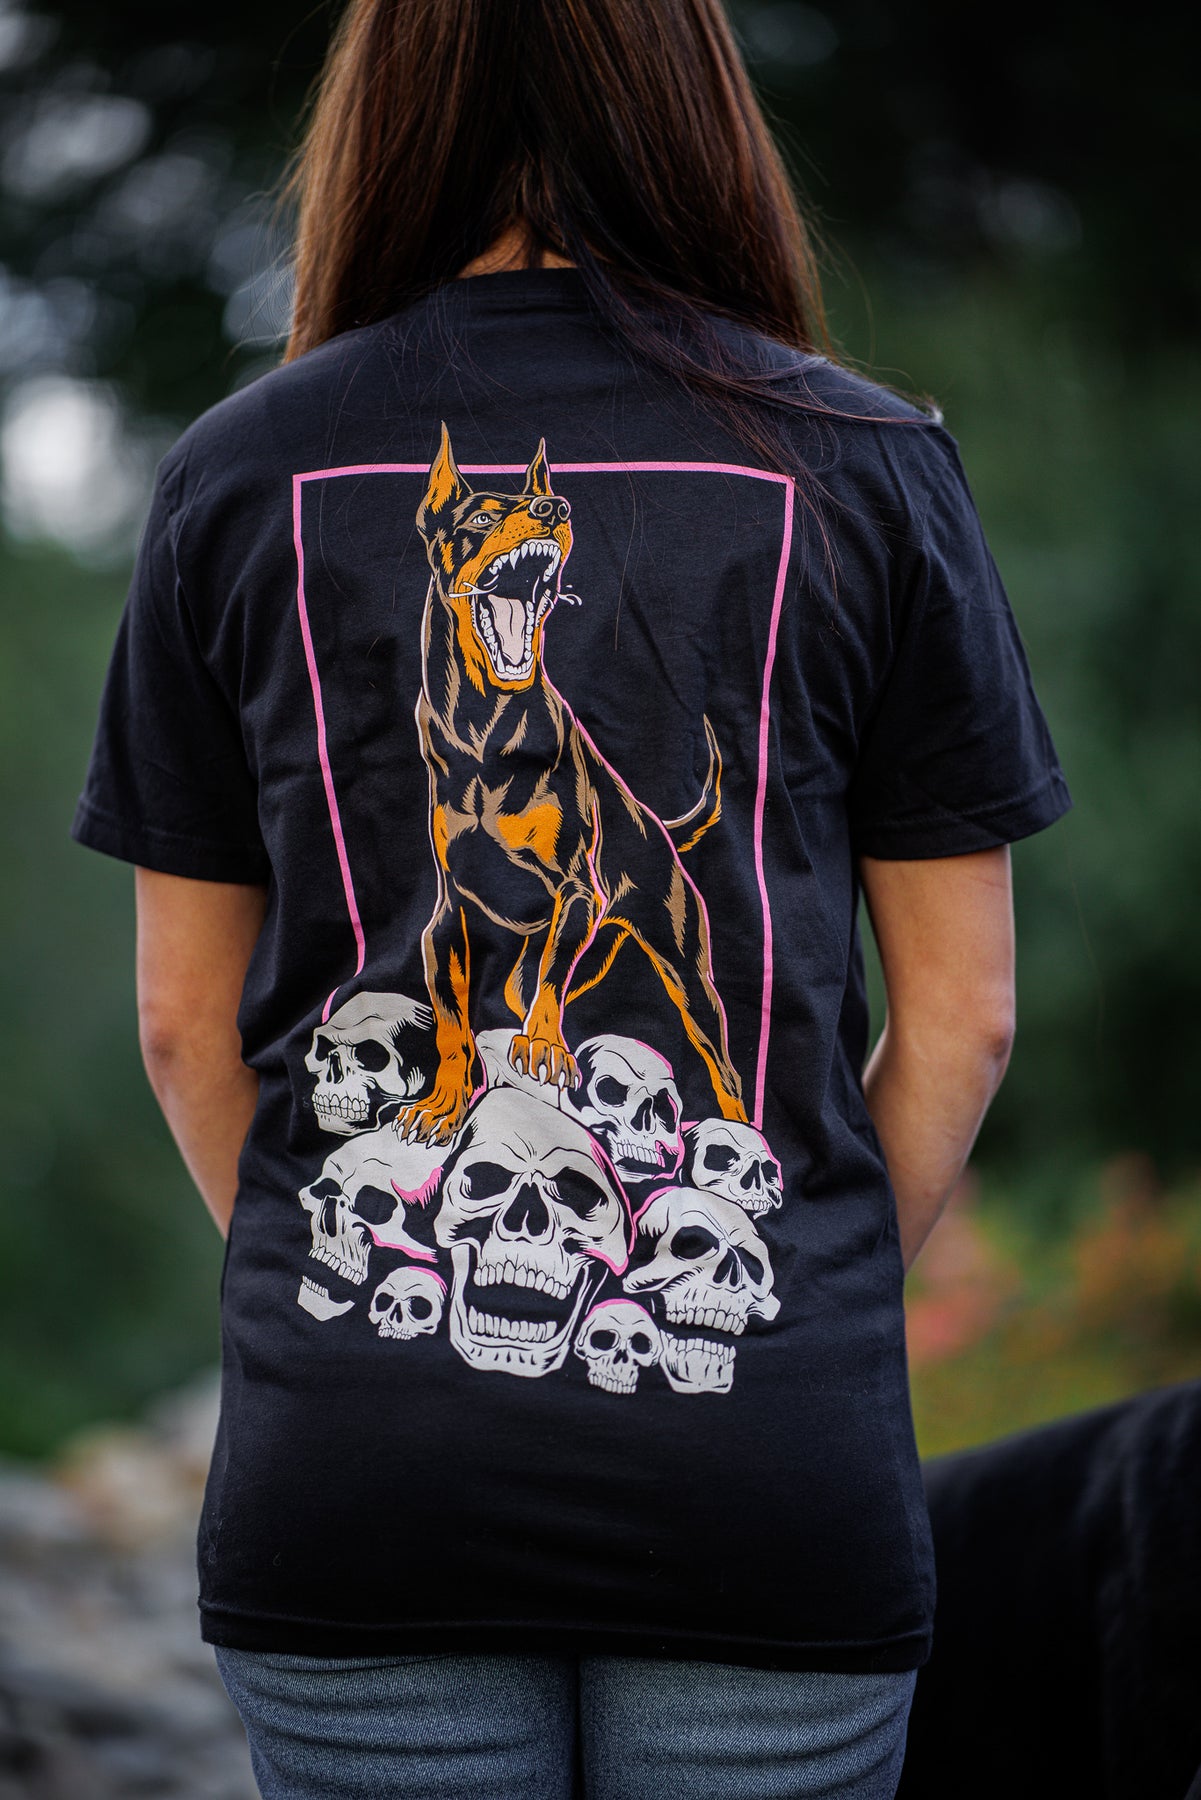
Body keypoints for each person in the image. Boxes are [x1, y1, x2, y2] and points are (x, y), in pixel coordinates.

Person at [70, 1, 1072, 1795]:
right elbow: (967, 1019)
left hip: (356, 1472)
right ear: (695, 104)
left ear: (383, 117)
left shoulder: (238, 472)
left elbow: (177, 1023)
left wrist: (357, 1259)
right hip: (766, 1469)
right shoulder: (862, 461)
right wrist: (807, 1288)